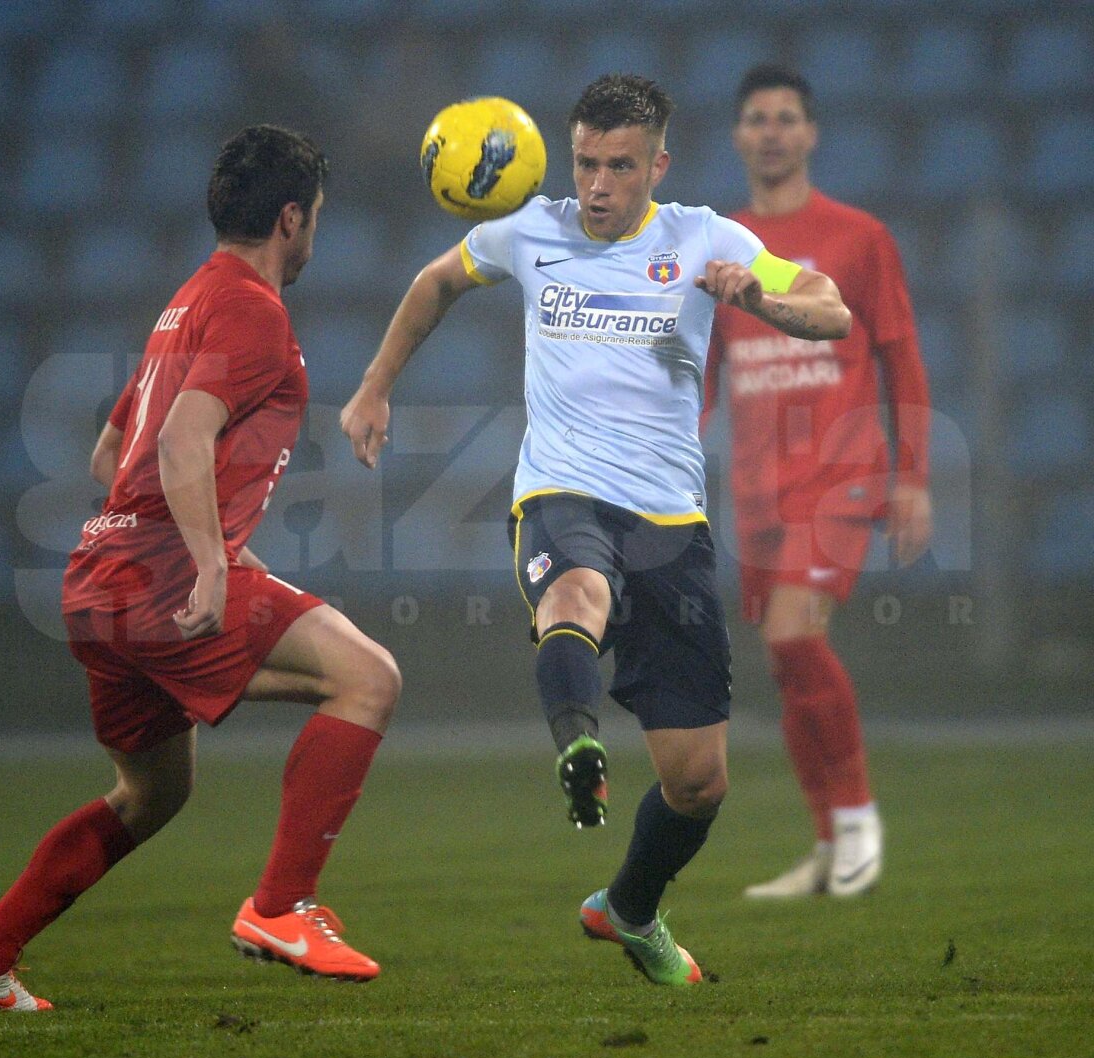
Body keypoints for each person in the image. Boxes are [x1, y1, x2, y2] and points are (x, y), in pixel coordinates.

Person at [342, 74, 850, 986]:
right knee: (577, 592)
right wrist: (375, 386)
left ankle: (628, 909)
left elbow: (830, 307)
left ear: (659, 166)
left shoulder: (706, 238)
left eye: (620, 166)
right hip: (562, 493)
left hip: (671, 524)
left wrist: (759, 299)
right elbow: (436, 281)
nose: (598, 185)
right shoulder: (530, 230)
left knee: (698, 784)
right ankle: (579, 747)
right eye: (585, 164)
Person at [0, 125, 401, 1012]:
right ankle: (280, 908)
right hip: (160, 578)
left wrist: (213, 541)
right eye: (316, 217)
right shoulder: (253, 310)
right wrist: (211, 563)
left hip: (99, 580)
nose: (315, 233)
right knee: (368, 679)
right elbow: (182, 441)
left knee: (151, 794)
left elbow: (112, 454)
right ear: (291, 218)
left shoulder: (187, 302)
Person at [703, 64, 932, 899]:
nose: (771, 131)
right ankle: (830, 845)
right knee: (785, 662)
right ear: (738, 136)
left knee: (796, 639)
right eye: (757, 118)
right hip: (757, 489)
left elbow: (900, 355)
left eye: (786, 117)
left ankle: (859, 817)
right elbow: (700, 374)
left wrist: (913, 476)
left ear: (811, 133)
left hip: (840, 474)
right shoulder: (720, 245)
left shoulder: (858, 237)